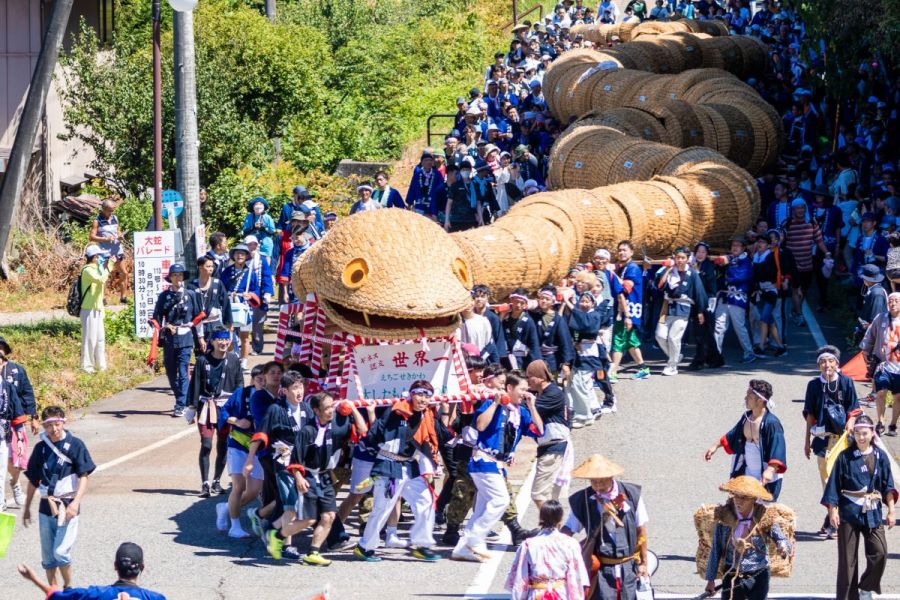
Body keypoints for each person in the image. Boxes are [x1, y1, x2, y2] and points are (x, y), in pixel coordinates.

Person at [452, 371, 544, 562]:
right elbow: (480, 426)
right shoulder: (492, 403)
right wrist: (495, 403)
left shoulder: (521, 412)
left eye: (527, 390)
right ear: (509, 388)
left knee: (482, 508)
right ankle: (475, 540)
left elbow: (539, 431)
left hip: (499, 464)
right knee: (500, 500)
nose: (526, 393)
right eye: (522, 389)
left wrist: (533, 406)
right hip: (483, 459)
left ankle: (462, 548)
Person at [354, 381, 442, 562]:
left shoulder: (427, 416)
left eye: (427, 396)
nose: (423, 399)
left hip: (410, 466)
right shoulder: (396, 411)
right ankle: (365, 547)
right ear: (411, 394)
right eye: (419, 394)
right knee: (382, 508)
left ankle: (422, 544)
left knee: (426, 502)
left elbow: (437, 436)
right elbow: (374, 434)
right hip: (389, 465)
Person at [279, 392, 367, 565]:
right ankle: (277, 535)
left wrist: (354, 409)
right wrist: (298, 477)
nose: (331, 411)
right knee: (309, 519)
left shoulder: (336, 426)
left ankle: (314, 552)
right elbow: (295, 459)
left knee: (329, 516)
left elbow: (363, 430)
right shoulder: (307, 431)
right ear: (316, 410)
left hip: (326, 476)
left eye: (332, 406)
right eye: (327, 408)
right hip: (309, 476)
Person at [822, 415, 896, 600]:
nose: (861, 437)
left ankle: (866, 586)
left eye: (864, 433)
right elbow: (833, 485)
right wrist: (833, 510)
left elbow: (888, 486)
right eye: (857, 433)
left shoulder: (880, 456)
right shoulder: (845, 457)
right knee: (847, 561)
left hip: (872, 509)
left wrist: (892, 511)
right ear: (853, 434)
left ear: (872, 433)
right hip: (849, 510)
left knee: (880, 552)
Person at [22, 406, 96, 590]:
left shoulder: (76, 444)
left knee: (61, 552)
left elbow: (83, 475)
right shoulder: (40, 448)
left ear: (63, 422)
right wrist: (26, 508)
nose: (54, 429)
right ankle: (53, 590)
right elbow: (33, 480)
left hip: (68, 504)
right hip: (46, 505)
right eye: (49, 426)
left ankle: (68, 586)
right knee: (48, 557)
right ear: (44, 427)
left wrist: (76, 503)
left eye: (57, 424)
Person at [562, 454, 649, 600]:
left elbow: (641, 530)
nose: (597, 486)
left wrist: (644, 563)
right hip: (599, 569)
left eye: (601, 481)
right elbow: (569, 529)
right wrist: (551, 543)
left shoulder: (632, 495)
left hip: (629, 567)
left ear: (611, 477)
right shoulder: (582, 500)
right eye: (593, 482)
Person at [803, 345, 860, 539]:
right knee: (827, 482)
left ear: (837, 363)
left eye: (830, 361)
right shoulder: (813, 385)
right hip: (822, 440)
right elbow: (810, 414)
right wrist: (806, 441)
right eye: (822, 362)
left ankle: (832, 522)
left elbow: (854, 407)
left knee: (842, 481)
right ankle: (833, 519)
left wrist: (851, 421)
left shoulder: (846, 382)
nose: (827, 365)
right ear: (818, 365)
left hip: (843, 440)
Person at [704, 476, 791, 600]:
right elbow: (716, 550)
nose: (739, 501)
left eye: (744, 498)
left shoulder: (764, 517)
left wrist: (782, 547)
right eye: (736, 496)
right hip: (733, 573)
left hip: (759, 574)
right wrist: (710, 580)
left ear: (754, 499)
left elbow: (781, 539)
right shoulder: (724, 518)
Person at [704, 379, 787, 500]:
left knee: (758, 512)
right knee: (740, 507)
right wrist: (715, 446)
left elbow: (778, 448)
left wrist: (770, 470)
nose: (745, 397)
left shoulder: (772, 423)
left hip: (763, 474)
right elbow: (733, 434)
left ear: (760, 400)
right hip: (746, 471)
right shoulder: (746, 417)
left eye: (749, 395)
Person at [187, 328, 243, 498]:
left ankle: (216, 481)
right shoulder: (203, 361)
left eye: (226, 340)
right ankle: (205, 483)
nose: (223, 343)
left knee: (223, 445)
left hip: (226, 408)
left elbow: (239, 384)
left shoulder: (233, 359)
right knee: (206, 444)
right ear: (212, 342)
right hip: (206, 406)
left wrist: (240, 409)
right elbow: (195, 385)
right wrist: (191, 407)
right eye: (219, 339)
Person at [17, 542, 166, 599]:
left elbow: (57, 596)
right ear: (142, 568)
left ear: (115, 566)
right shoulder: (155, 598)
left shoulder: (94, 594)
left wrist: (34, 579)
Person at [505, 499, 591, 599]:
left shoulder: (529, 544)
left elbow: (520, 577)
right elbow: (577, 576)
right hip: (561, 594)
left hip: (537, 594)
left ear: (541, 518)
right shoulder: (570, 544)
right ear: (560, 519)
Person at [216, 364, 265, 539]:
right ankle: (234, 526)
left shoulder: (271, 396)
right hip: (238, 443)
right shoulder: (241, 394)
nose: (262, 382)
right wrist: (237, 421)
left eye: (265, 379)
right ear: (252, 379)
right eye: (259, 379)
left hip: (258, 447)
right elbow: (223, 413)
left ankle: (225, 508)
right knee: (239, 486)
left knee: (254, 491)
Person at [151, 264, 205, 418]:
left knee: (183, 370)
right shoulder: (164, 296)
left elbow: (199, 316)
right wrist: (163, 326)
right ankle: (181, 398)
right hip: (169, 337)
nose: (177, 278)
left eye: (180, 275)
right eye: (175, 275)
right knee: (170, 371)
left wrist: (199, 336)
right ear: (170, 278)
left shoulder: (191, 294)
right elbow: (157, 316)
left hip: (186, 335)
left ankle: (180, 404)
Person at [655, 247, 708, 376]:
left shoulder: (692, 274)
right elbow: (659, 286)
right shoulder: (669, 271)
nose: (680, 260)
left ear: (687, 259)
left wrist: (700, 311)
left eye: (683, 258)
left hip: (683, 309)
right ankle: (675, 356)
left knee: (674, 338)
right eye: (677, 257)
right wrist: (668, 269)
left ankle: (672, 366)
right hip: (667, 307)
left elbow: (699, 292)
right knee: (660, 336)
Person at [526, 360, 571, 510]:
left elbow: (528, 412)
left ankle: (551, 527)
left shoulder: (552, 393)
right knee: (550, 496)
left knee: (539, 494)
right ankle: (553, 527)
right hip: (551, 446)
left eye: (529, 376)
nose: (528, 381)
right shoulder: (544, 392)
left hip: (554, 446)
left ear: (540, 377)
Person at [1, 336, 37, 510]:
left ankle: (15, 483)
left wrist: (34, 416)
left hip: (15, 422)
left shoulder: (16, 371)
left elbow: (27, 394)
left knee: (14, 461)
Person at [782, 198, 831, 325]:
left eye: (802, 207)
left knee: (803, 291)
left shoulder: (812, 222)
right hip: (793, 264)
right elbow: (780, 240)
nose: (800, 210)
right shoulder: (787, 223)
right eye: (797, 208)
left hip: (807, 263)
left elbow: (819, 240)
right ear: (793, 210)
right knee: (796, 290)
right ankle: (799, 315)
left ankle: (795, 309)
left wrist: (827, 253)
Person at [566, 290, 608, 427]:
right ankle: (594, 408)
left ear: (593, 303)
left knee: (580, 383)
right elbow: (574, 327)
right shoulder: (582, 315)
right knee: (584, 383)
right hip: (580, 352)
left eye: (587, 301)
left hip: (590, 352)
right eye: (582, 301)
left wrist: (569, 304)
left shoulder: (595, 315)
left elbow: (587, 327)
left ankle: (584, 416)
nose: (584, 304)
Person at [860, 292, 900, 436]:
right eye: (890, 301)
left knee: (898, 397)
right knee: (881, 392)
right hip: (883, 364)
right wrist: (865, 349)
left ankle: (893, 424)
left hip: (899, 367)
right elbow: (870, 335)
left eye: (896, 301)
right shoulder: (881, 318)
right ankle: (881, 421)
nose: (892, 303)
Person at [610, 240, 650, 381]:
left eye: (625, 250)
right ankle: (643, 368)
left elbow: (626, 287)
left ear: (632, 252)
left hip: (629, 309)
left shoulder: (632, 268)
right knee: (630, 341)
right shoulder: (623, 268)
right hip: (625, 309)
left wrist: (610, 273)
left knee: (619, 340)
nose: (621, 252)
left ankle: (613, 372)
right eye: (619, 250)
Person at [713, 237, 758, 364]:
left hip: (737, 297)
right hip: (724, 295)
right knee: (719, 326)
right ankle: (716, 353)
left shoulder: (746, 261)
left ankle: (749, 352)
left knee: (739, 326)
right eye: (733, 245)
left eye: (738, 245)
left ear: (743, 248)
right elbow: (719, 277)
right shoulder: (729, 259)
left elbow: (741, 276)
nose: (735, 247)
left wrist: (726, 270)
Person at [220, 244, 261, 371]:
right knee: (229, 333)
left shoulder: (250, 273)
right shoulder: (227, 271)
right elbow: (222, 288)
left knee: (244, 335)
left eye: (243, 254)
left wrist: (250, 295)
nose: (240, 256)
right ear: (233, 255)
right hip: (230, 304)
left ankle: (244, 360)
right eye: (237, 253)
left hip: (244, 305)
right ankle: (232, 357)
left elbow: (256, 289)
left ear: (246, 256)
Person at [79, 244, 116, 374]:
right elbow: (101, 280)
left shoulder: (98, 268)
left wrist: (105, 266)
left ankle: (101, 366)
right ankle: (86, 366)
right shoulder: (88, 270)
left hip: (98, 309)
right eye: (99, 255)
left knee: (100, 338)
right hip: (88, 309)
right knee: (89, 339)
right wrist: (110, 266)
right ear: (94, 257)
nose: (101, 257)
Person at [750, 235, 787, 356]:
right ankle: (781, 347)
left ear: (768, 245)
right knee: (769, 321)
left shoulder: (770, 257)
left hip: (770, 291)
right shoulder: (756, 257)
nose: (760, 244)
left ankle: (761, 347)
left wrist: (757, 276)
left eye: (763, 242)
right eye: (758, 242)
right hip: (761, 292)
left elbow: (768, 274)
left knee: (764, 319)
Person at [688, 242, 723, 370]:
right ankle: (711, 358)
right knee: (701, 332)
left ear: (707, 254)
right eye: (698, 251)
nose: (700, 254)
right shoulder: (692, 264)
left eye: (703, 252)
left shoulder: (709, 266)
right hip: (696, 300)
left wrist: (697, 273)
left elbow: (709, 286)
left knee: (704, 331)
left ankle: (701, 359)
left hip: (707, 300)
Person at [88, 198, 129, 304]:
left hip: (117, 250)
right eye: (109, 210)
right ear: (103, 209)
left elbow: (117, 230)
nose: (111, 212)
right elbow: (91, 237)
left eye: (113, 210)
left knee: (124, 272)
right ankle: (103, 298)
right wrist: (105, 239)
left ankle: (123, 297)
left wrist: (120, 236)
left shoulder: (115, 218)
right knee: (104, 275)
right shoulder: (97, 221)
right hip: (105, 252)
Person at [533, 285, 575, 377]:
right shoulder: (534, 316)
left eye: (547, 299)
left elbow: (565, 341)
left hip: (552, 359)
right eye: (542, 298)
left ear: (553, 302)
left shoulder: (558, 319)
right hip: (536, 357)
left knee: (551, 383)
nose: (544, 301)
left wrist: (565, 363)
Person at [0, 365, 26, 512]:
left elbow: (17, 414)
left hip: (3, 436)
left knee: (4, 469)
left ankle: (13, 485)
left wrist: (21, 439)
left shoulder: (8, 387)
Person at [188, 255, 232, 341]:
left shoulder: (217, 283)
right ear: (200, 267)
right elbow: (190, 307)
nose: (211, 269)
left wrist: (228, 322)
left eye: (212, 266)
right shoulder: (192, 285)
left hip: (215, 322)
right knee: (200, 352)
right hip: (199, 324)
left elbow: (226, 303)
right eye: (208, 266)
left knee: (216, 351)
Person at [244, 235, 274, 356]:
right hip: (243, 295)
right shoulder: (240, 259)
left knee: (258, 324)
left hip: (258, 296)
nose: (252, 247)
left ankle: (257, 347)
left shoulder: (261, 259)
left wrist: (267, 293)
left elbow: (267, 276)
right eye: (249, 244)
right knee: (242, 324)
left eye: (254, 244)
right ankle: (242, 348)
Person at [503, 289, 542, 370]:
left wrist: (536, 362)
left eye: (522, 303)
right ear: (512, 301)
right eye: (516, 301)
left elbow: (533, 343)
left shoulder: (528, 321)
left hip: (522, 360)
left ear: (525, 305)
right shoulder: (505, 318)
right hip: (506, 359)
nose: (518, 305)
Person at [406, 152, 447, 218]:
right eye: (426, 160)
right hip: (419, 205)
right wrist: (409, 203)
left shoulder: (437, 174)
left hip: (433, 205)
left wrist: (442, 206)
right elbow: (412, 189)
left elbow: (442, 190)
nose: (429, 162)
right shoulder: (417, 175)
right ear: (422, 163)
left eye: (430, 160)